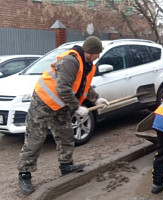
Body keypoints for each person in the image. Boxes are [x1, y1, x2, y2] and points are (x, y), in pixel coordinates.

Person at [17, 36, 109, 195]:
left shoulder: (88, 65)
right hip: (43, 102)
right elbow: (63, 89)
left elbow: (83, 87)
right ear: (90, 52)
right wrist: (77, 107)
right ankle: (24, 174)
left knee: (66, 134)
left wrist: (96, 98)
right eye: (97, 53)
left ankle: (66, 165)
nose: (98, 57)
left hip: (60, 105)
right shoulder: (70, 61)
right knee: (35, 139)